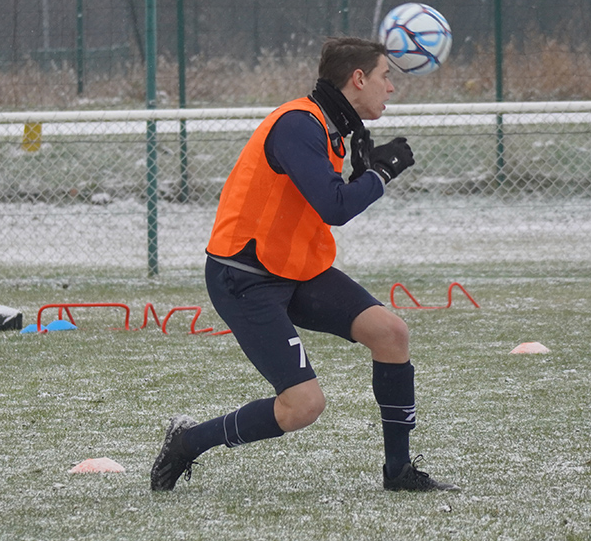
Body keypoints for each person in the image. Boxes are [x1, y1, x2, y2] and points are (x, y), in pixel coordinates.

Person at [150, 37, 457, 493]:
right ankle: (188, 442)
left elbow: (322, 201)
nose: (390, 88)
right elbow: (334, 207)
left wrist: (362, 175)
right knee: (303, 406)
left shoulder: (332, 127)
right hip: (245, 277)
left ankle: (399, 473)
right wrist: (379, 175)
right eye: (384, 76)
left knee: (391, 333)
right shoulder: (299, 124)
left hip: (296, 270)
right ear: (358, 79)